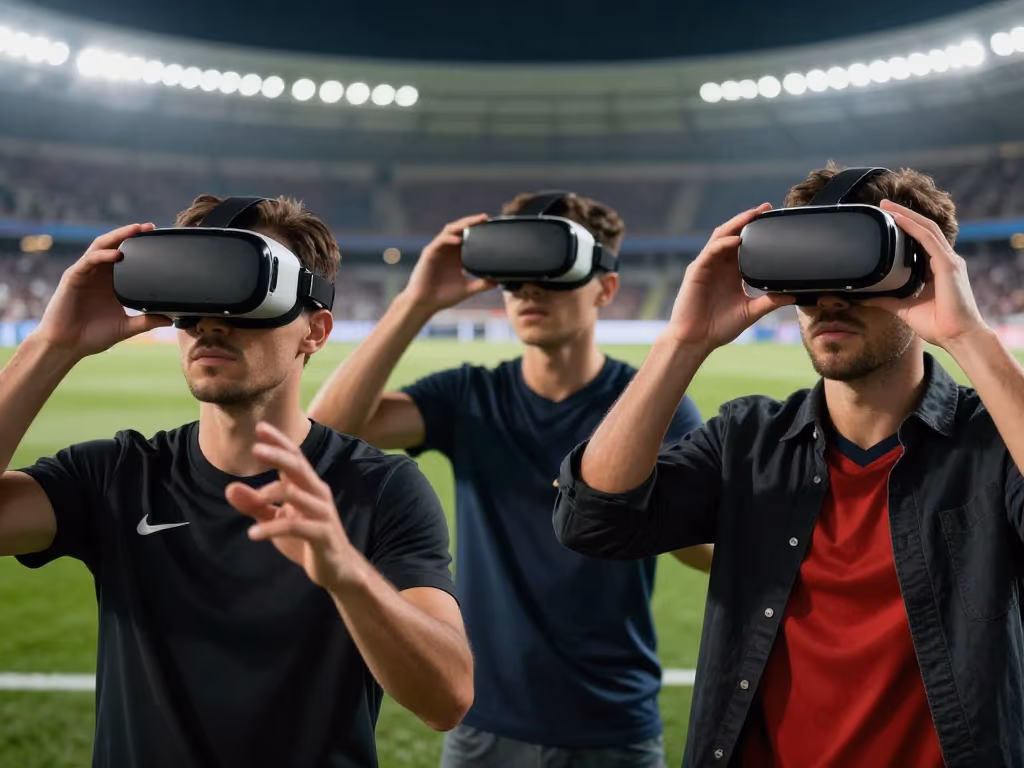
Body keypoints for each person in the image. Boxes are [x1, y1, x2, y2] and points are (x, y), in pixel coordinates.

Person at [552, 163, 1024, 767]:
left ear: (920, 276)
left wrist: (967, 335)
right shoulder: (747, 442)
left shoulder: (992, 444)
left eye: (853, 270)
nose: (826, 300)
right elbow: (594, 521)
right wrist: (683, 342)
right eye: (805, 274)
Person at [0, 196, 473, 768]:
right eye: (191, 297)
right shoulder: (116, 476)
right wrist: (52, 346)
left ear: (315, 331)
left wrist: (347, 575)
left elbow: (447, 699)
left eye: (244, 291)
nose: (210, 323)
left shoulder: (377, 488)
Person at [309, 191, 712, 768]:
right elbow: (327, 432)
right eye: (515, 277)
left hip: (612, 721)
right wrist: (416, 303)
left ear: (606, 287)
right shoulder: (470, 396)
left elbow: (696, 545)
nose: (527, 291)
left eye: (552, 273)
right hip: (484, 718)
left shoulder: (651, 407)